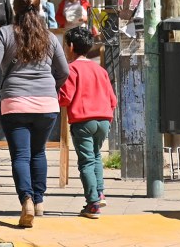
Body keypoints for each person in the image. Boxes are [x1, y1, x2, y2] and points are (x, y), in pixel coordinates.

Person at [0, 0, 69, 228]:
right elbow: (64, 71)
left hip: (14, 103)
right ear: (38, 8)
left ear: (14, 9)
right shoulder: (49, 37)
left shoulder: (5, 34)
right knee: (38, 153)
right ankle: (39, 202)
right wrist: (51, 88)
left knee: (20, 155)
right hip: (47, 105)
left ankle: (26, 199)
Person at [58, 26, 117, 219]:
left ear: (71, 46)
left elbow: (65, 98)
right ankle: (100, 193)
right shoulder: (99, 70)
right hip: (104, 120)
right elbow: (113, 99)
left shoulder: (72, 69)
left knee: (86, 161)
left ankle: (92, 204)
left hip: (83, 121)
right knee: (97, 156)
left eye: (66, 45)